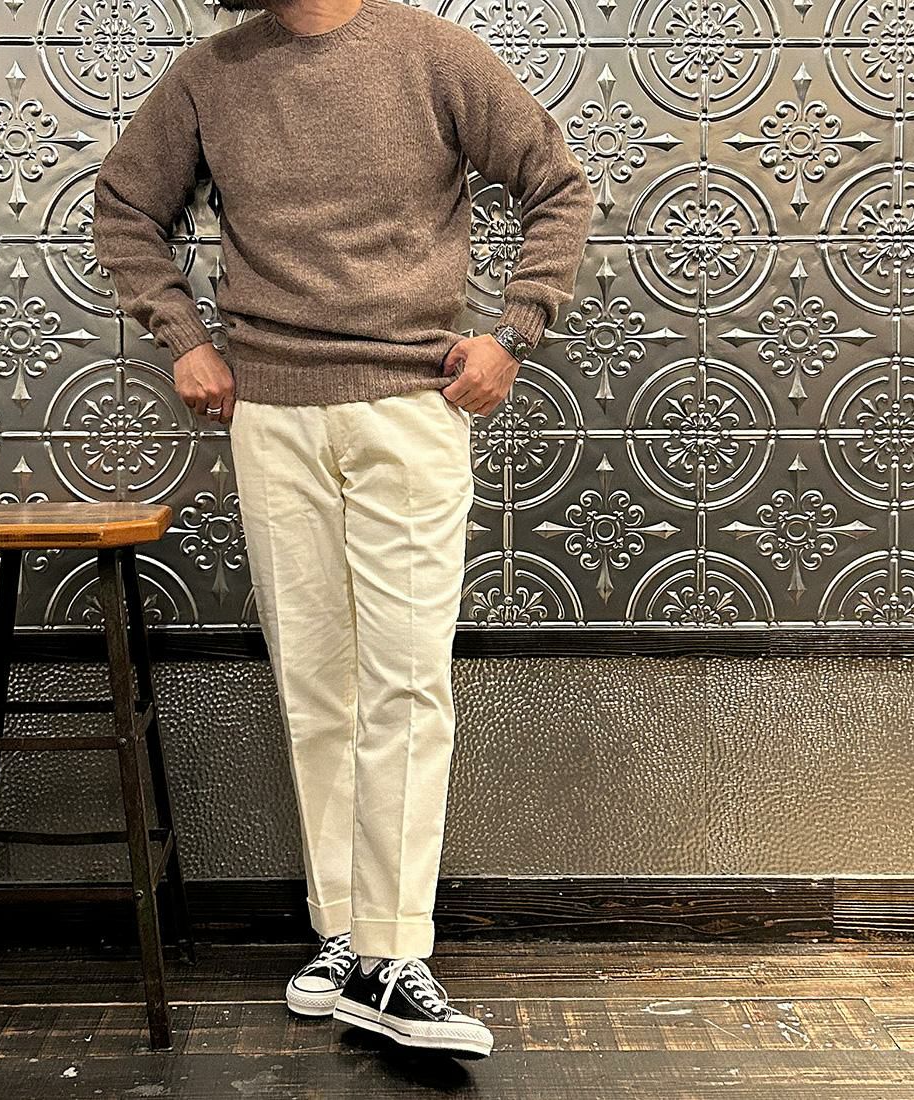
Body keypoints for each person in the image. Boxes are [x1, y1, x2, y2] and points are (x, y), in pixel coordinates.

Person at [91, 0, 595, 1061]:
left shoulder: (434, 55)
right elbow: (126, 205)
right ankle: (344, 933)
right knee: (315, 681)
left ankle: (394, 951)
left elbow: (556, 185)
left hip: (410, 406)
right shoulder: (212, 73)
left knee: (405, 681)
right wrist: (183, 336)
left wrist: (513, 332)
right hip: (270, 413)